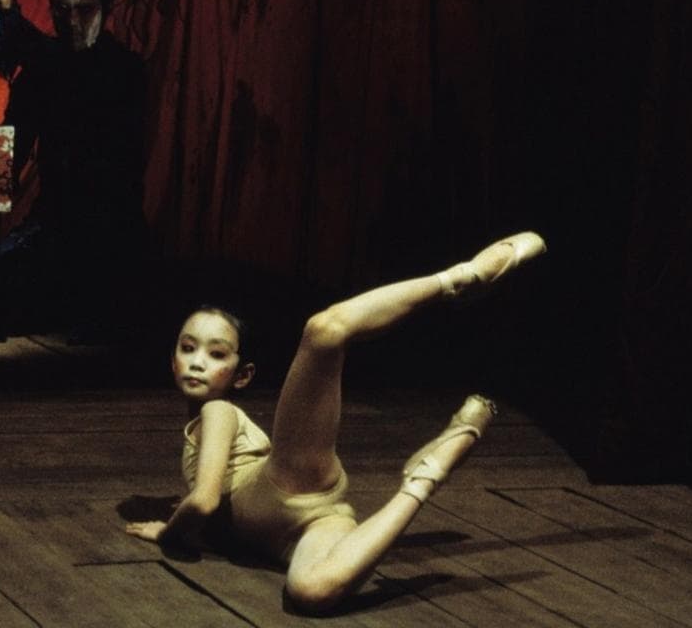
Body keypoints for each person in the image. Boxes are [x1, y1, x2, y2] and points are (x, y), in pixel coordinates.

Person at [125, 231, 548, 614]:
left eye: (217, 354)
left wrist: (168, 532)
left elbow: (203, 502)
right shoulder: (202, 423)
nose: (198, 362)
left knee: (324, 330)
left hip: (284, 483)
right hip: (313, 522)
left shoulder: (217, 412)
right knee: (312, 592)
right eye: (188, 348)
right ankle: (430, 472)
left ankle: (460, 277)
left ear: (243, 375)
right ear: (172, 359)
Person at [0, 0, 149, 341]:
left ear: (107, 9)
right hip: (54, 225)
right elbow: (10, 152)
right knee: (2, 290)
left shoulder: (125, 72)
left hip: (109, 233)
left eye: (85, 10)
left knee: (110, 299)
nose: (72, 22)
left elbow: (79, 77)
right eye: (62, 10)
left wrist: (12, 18)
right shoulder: (41, 72)